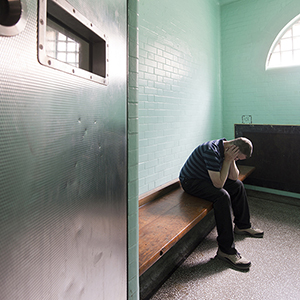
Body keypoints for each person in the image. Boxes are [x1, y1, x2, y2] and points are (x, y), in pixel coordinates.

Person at [179, 137, 263, 270]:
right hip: (191, 181)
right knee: (222, 196)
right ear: (233, 150)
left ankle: (242, 225)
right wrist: (228, 160)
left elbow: (234, 178)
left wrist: (231, 161)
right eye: (238, 158)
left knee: (238, 185)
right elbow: (218, 185)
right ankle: (226, 250)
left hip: (207, 177)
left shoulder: (226, 149)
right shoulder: (211, 151)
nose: (237, 160)